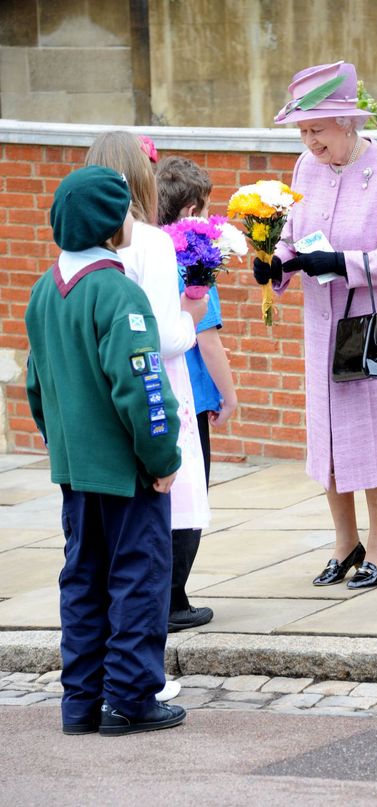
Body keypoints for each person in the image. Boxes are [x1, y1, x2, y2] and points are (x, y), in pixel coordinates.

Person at [25, 165, 187, 735]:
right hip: (127, 472)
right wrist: (162, 459)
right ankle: (130, 699)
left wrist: (61, 445)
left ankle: (81, 703)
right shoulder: (118, 291)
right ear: (110, 222)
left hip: (76, 473)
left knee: (83, 583)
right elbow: (143, 387)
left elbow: (35, 385)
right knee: (138, 581)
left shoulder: (45, 289)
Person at [253, 61, 377, 589]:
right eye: (302, 131)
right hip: (323, 324)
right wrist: (275, 262)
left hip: (372, 326)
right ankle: (345, 543)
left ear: (347, 123)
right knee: (327, 433)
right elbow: (295, 236)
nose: (308, 141)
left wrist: (342, 264)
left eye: (316, 130)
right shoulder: (305, 169)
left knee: (373, 432)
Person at [85, 132, 214, 636]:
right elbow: (161, 338)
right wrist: (192, 315)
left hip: (100, 389)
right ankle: (146, 648)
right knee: (162, 507)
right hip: (153, 382)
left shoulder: (81, 242)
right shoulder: (153, 242)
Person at [156, 156, 238, 583]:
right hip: (192, 396)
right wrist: (230, 395)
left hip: (157, 396)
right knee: (191, 497)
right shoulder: (196, 262)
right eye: (205, 208)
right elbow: (208, 339)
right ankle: (175, 598)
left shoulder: (148, 255)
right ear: (191, 212)